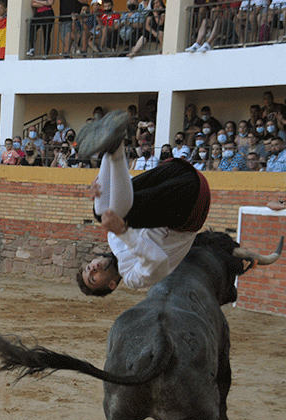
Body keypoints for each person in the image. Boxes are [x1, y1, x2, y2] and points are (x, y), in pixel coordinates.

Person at [75, 110, 210, 296]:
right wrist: (124, 232)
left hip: (176, 172)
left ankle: (113, 145)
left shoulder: (112, 238)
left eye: (87, 268)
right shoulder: (132, 278)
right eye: (92, 278)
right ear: (112, 285)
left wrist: (100, 189)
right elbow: (159, 261)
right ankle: (113, 148)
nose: (91, 269)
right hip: (190, 206)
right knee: (104, 215)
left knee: (104, 209)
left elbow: (127, 187)